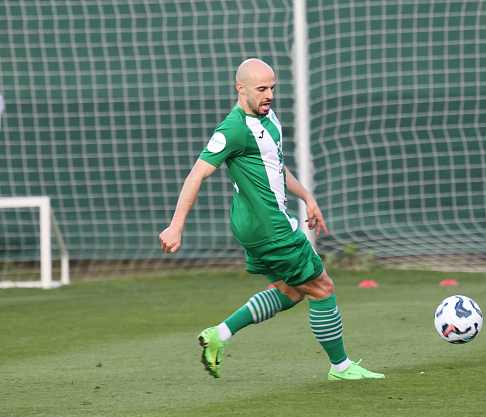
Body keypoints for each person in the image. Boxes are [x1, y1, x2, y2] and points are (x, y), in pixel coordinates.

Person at [159, 58, 384, 381]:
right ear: (241, 89)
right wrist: (176, 226)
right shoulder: (233, 129)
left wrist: (307, 198)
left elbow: (274, 165)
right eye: (261, 89)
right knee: (322, 287)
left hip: (254, 226)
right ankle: (341, 368)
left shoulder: (268, 117)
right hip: (270, 226)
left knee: (291, 291)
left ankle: (219, 334)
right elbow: (196, 174)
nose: (269, 95)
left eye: (272, 88)